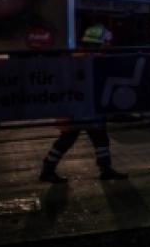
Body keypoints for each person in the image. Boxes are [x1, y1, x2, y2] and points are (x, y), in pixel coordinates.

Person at [39, 25, 128, 183]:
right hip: (85, 109)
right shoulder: (98, 59)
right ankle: (103, 169)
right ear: (100, 42)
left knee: (92, 138)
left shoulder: (73, 56)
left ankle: (49, 168)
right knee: (84, 139)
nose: (109, 45)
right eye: (107, 42)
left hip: (76, 109)